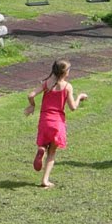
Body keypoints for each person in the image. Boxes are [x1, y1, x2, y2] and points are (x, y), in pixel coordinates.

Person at [24, 59, 88, 188]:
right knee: (52, 152)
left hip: (44, 121)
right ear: (65, 73)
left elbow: (31, 95)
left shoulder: (46, 83)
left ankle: (41, 148)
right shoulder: (67, 87)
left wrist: (32, 106)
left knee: (43, 143)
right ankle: (45, 180)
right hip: (57, 123)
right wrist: (80, 97)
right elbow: (73, 107)